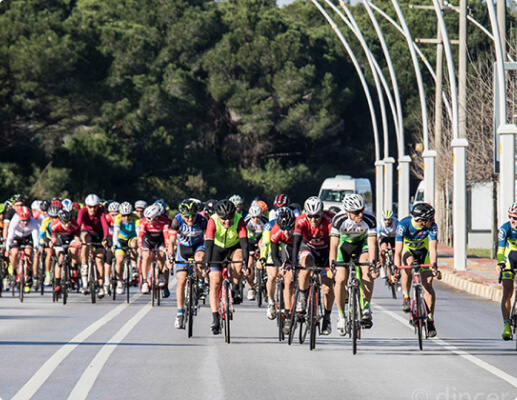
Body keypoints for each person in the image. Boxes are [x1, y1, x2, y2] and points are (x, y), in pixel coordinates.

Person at [329, 194, 378, 334]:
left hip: (361, 245)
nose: (360, 214)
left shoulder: (369, 219)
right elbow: (333, 244)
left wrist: (373, 263)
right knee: (340, 279)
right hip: (344, 247)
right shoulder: (338, 220)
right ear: (347, 212)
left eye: (362, 210)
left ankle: (366, 307)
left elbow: (372, 243)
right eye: (356, 212)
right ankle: (341, 315)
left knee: (367, 266)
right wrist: (333, 264)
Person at [394, 202, 440, 337]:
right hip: (409, 251)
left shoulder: (432, 227)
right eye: (430, 219)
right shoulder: (404, 225)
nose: (433, 221)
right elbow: (398, 251)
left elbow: (432, 249)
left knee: (427, 284)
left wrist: (434, 266)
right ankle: (406, 296)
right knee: (407, 264)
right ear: (421, 221)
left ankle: (430, 319)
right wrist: (396, 270)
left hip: (424, 252)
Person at [204, 199, 249, 334]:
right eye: (223, 219)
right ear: (218, 216)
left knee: (239, 258)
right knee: (215, 282)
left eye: (230, 217)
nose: (227, 221)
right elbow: (209, 245)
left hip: (233, 247)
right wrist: (207, 263)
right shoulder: (212, 221)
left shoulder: (239, 219)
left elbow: (244, 244)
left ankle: (235, 287)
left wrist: (246, 264)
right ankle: (215, 317)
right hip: (216, 248)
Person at [292, 196, 334, 335]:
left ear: (322, 213)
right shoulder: (301, 220)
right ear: (306, 214)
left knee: (327, 288)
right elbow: (296, 243)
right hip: (308, 247)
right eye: (311, 216)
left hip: (325, 251)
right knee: (305, 267)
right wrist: (293, 263)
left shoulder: (329, 220)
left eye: (317, 216)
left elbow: (335, 243)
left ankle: (327, 319)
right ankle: (303, 297)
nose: (314, 220)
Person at [168, 199, 207, 329]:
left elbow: (208, 239)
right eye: (187, 216)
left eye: (192, 216)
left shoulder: (202, 220)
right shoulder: (176, 221)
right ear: (182, 215)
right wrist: (170, 256)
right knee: (181, 281)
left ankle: (201, 283)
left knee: (200, 258)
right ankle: (179, 314)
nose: (190, 219)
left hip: (198, 246)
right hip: (183, 249)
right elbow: (172, 241)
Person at [267, 207, 296, 327]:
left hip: (296, 246)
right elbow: (274, 255)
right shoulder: (275, 231)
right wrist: (280, 267)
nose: (287, 232)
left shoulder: (299, 230)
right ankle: (272, 302)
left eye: (289, 228)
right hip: (282, 249)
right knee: (284, 277)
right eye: (284, 229)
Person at [77, 194, 109, 298]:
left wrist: (105, 238)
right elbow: (78, 224)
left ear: (98, 206)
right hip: (87, 232)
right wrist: (77, 238)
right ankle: (85, 265)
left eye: (94, 206)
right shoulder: (82, 211)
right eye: (90, 206)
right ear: (86, 206)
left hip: (99, 234)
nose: (92, 209)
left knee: (99, 260)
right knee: (85, 240)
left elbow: (105, 225)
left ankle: (100, 286)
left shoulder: (101, 211)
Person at [137, 204, 170, 294]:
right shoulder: (144, 221)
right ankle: (144, 281)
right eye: (146, 218)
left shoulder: (164, 222)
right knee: (146, 256)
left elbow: (166, 236)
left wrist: (167, 248)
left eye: (149, 219)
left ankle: (161, 274)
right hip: (148, 241)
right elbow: (140, 235)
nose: (147, 220)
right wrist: (140, 246)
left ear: (156, 218)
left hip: (159, 241)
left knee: (161, 256)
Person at [5, 206, 39, 293]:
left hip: (27, 237)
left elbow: (35, 237)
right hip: (16, 237)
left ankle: (28, 276)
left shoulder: (33, 222)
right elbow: (10, 236)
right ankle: (12, 268)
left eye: (27, 220)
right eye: (23, 220)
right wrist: (7, 248)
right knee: (15, 252)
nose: (25, 223)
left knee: (29, 252)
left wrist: (36, 247)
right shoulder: (15, 220)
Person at [496, 202, 517, 340]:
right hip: (509, 259)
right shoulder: (505, 228)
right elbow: (501, 250)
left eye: (515, 218)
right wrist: (500, 263)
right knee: (507, 291)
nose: (512, 220)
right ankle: (506, 325)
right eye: (510, 217)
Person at [50, 210, 81, 294]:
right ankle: (57, 283)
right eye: (65, 222)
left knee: (74, 250)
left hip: (71, 238)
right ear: (60, 221)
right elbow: (54, 239)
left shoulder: (75, 225)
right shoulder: (54, 225)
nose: (67, 225)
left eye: (69, 222)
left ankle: (74, 268)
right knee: (60, 259)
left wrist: (78, 243)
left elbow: (77, 239)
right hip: (60, 239)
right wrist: (52, 243)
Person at [112, 202, 140, 295]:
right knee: (119, 260)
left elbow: (138, 231)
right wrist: (115, 244)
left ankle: (133, 265)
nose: (126, 218)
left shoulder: (136, 218)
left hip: (132, 237)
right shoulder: (118, 218)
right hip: (121, 239)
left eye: (128, 215)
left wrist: (140, 244)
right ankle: (119, 281)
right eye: (124, 216)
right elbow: (115, 232)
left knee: (134, 243)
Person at [244, 204, 268, 301]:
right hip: (250, 241)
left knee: (263, 244)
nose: (256, 219)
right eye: (253, 217)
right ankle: (250, 288)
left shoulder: (265, 221)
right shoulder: (246, 221)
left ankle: (265, 277)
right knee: (249, 264)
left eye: (258, 217)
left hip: (261, 240)